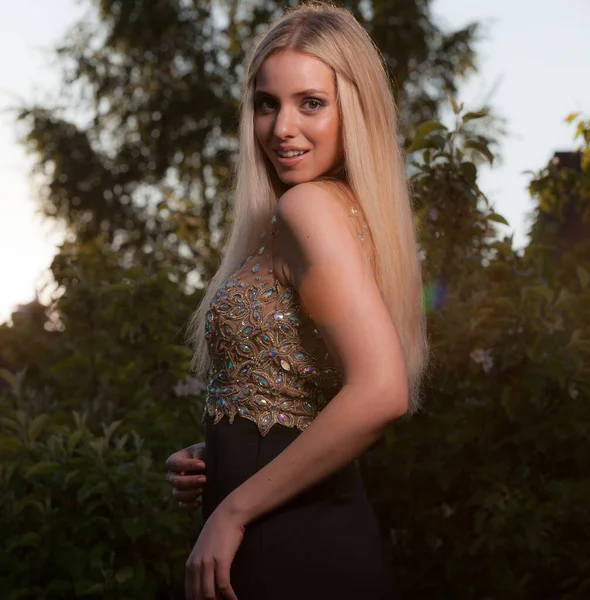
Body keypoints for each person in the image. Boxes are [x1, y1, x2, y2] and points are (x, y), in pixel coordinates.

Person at [166, 3, 428, 599]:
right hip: (290, 530)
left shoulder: (307, 208)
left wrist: (230, 511)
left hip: (291, 544)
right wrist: (224, 451)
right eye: (267, 103)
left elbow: (382, 390)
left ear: (352, 111)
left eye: (311, 102)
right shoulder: (334, 212)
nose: (283, 126)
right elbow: (293, 389)